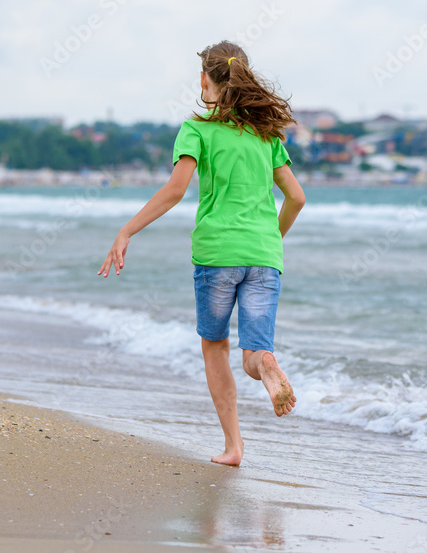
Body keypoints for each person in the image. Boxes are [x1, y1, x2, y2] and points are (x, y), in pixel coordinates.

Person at [98, 40, 306, 466]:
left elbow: (175, 191)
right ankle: (267, 365)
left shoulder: (196, 130)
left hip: (216, 256)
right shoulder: (267, 136)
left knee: (215, 348)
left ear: (204, 79)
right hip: (264, 256)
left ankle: (233, 447)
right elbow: (297, 198)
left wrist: (126, 231)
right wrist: (272, 239)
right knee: (254, 352)